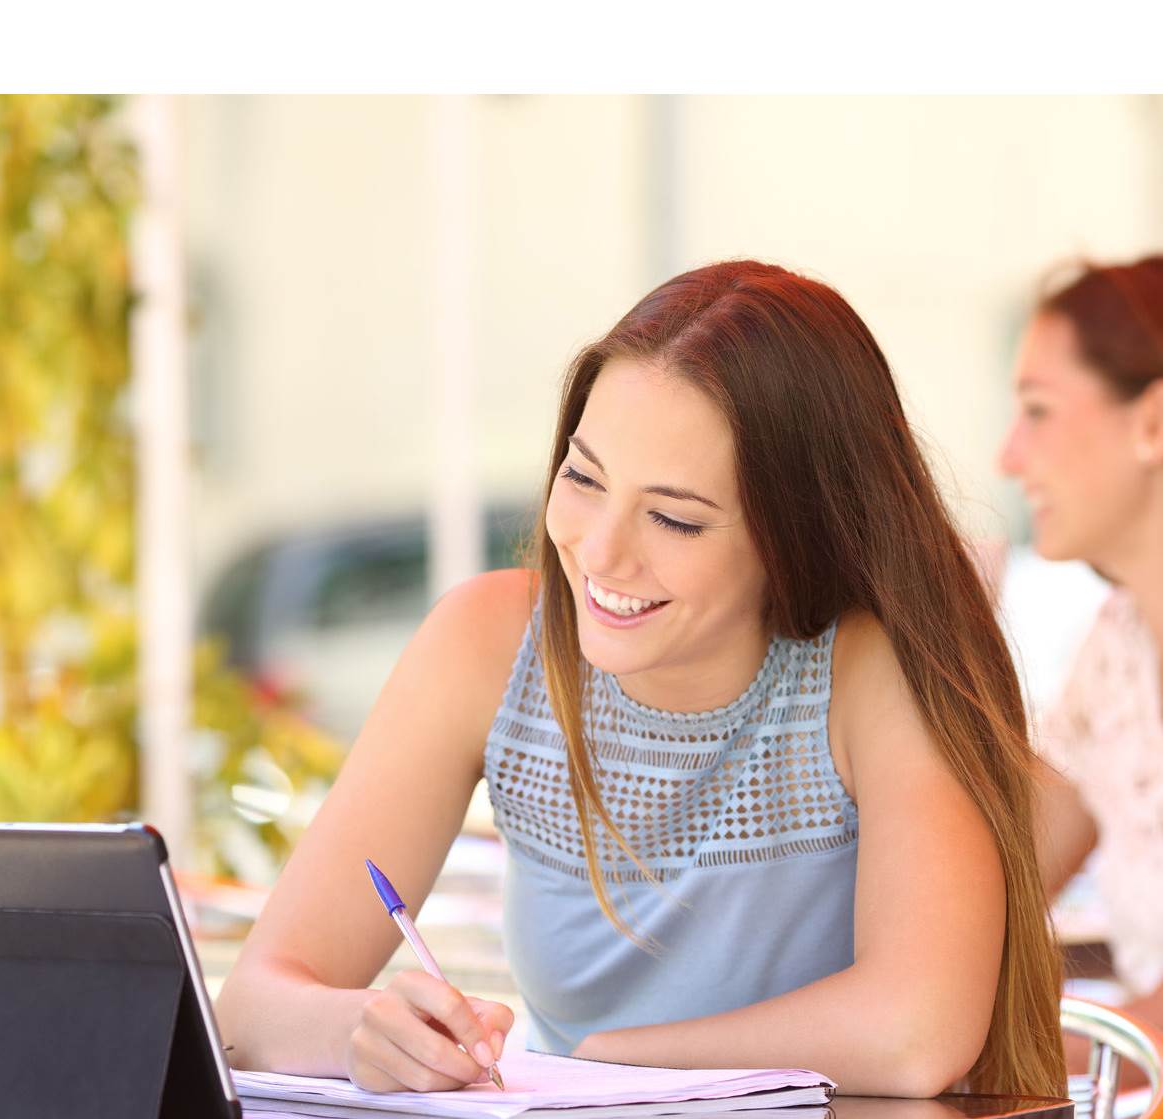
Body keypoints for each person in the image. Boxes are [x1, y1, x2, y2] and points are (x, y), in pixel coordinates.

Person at [214, 260, 1066, 1099]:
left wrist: (612, 1062)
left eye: (674, 517)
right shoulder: (482, 645)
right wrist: (361, 1033)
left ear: (796, 535)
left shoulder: (868, 670)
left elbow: (919, 1030)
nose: (601, 551)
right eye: (583, 477)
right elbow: (254, 1003)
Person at [997, 254, 1163, 1028]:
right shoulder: (1120, 646)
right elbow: (994, 889)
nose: (1009, 457)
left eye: (1037, 410)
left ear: (1152, 422)